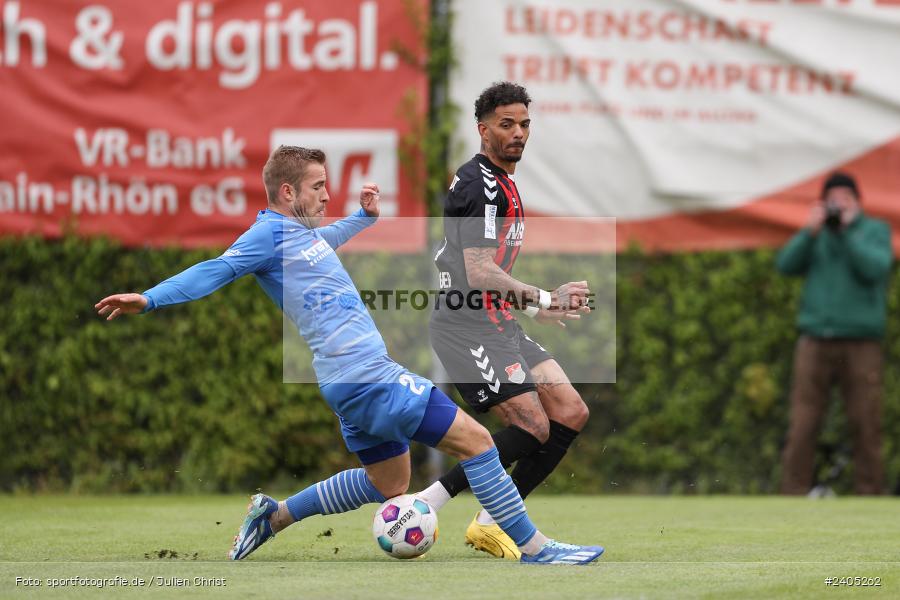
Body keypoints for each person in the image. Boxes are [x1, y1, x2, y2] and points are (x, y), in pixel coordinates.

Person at [95, 145, 604, 565]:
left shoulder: (297, 235)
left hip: (346, 382)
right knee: (478, 443)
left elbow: (325, 239)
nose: (326, 195)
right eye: (318, 187)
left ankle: (274, 516)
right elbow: (216, 269)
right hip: (367, 376)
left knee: (391, 482)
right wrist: (150, 298)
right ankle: (535, 548)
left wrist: (362, 219)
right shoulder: (265, 235)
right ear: (288, 192)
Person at [417, 81, 594, 560]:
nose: (518, 133)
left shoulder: (500, 180)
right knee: (533, 426)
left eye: (524, 124)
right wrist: (545, 297)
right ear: (483, 129)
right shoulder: (482, 186)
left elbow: (487, 273)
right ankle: (427, 502)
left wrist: (535, 308)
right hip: (466, 327)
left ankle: (490, 521)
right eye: (506, 124)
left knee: (570, 411)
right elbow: (478, 271)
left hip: (496, 322)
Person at [777, 171, 892, 496]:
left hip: (861, 340)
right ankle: (792, 492)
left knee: (865, 419)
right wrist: (809, 232)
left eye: (845, 199)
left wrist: (847, 233)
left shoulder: (873, 231)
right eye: (832, 200)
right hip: (816, 339)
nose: (838, 205)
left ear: (858, 202)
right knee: (804, 420)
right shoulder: (816, 234)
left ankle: (870, 493)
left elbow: (876, 269)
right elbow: (785, 265)